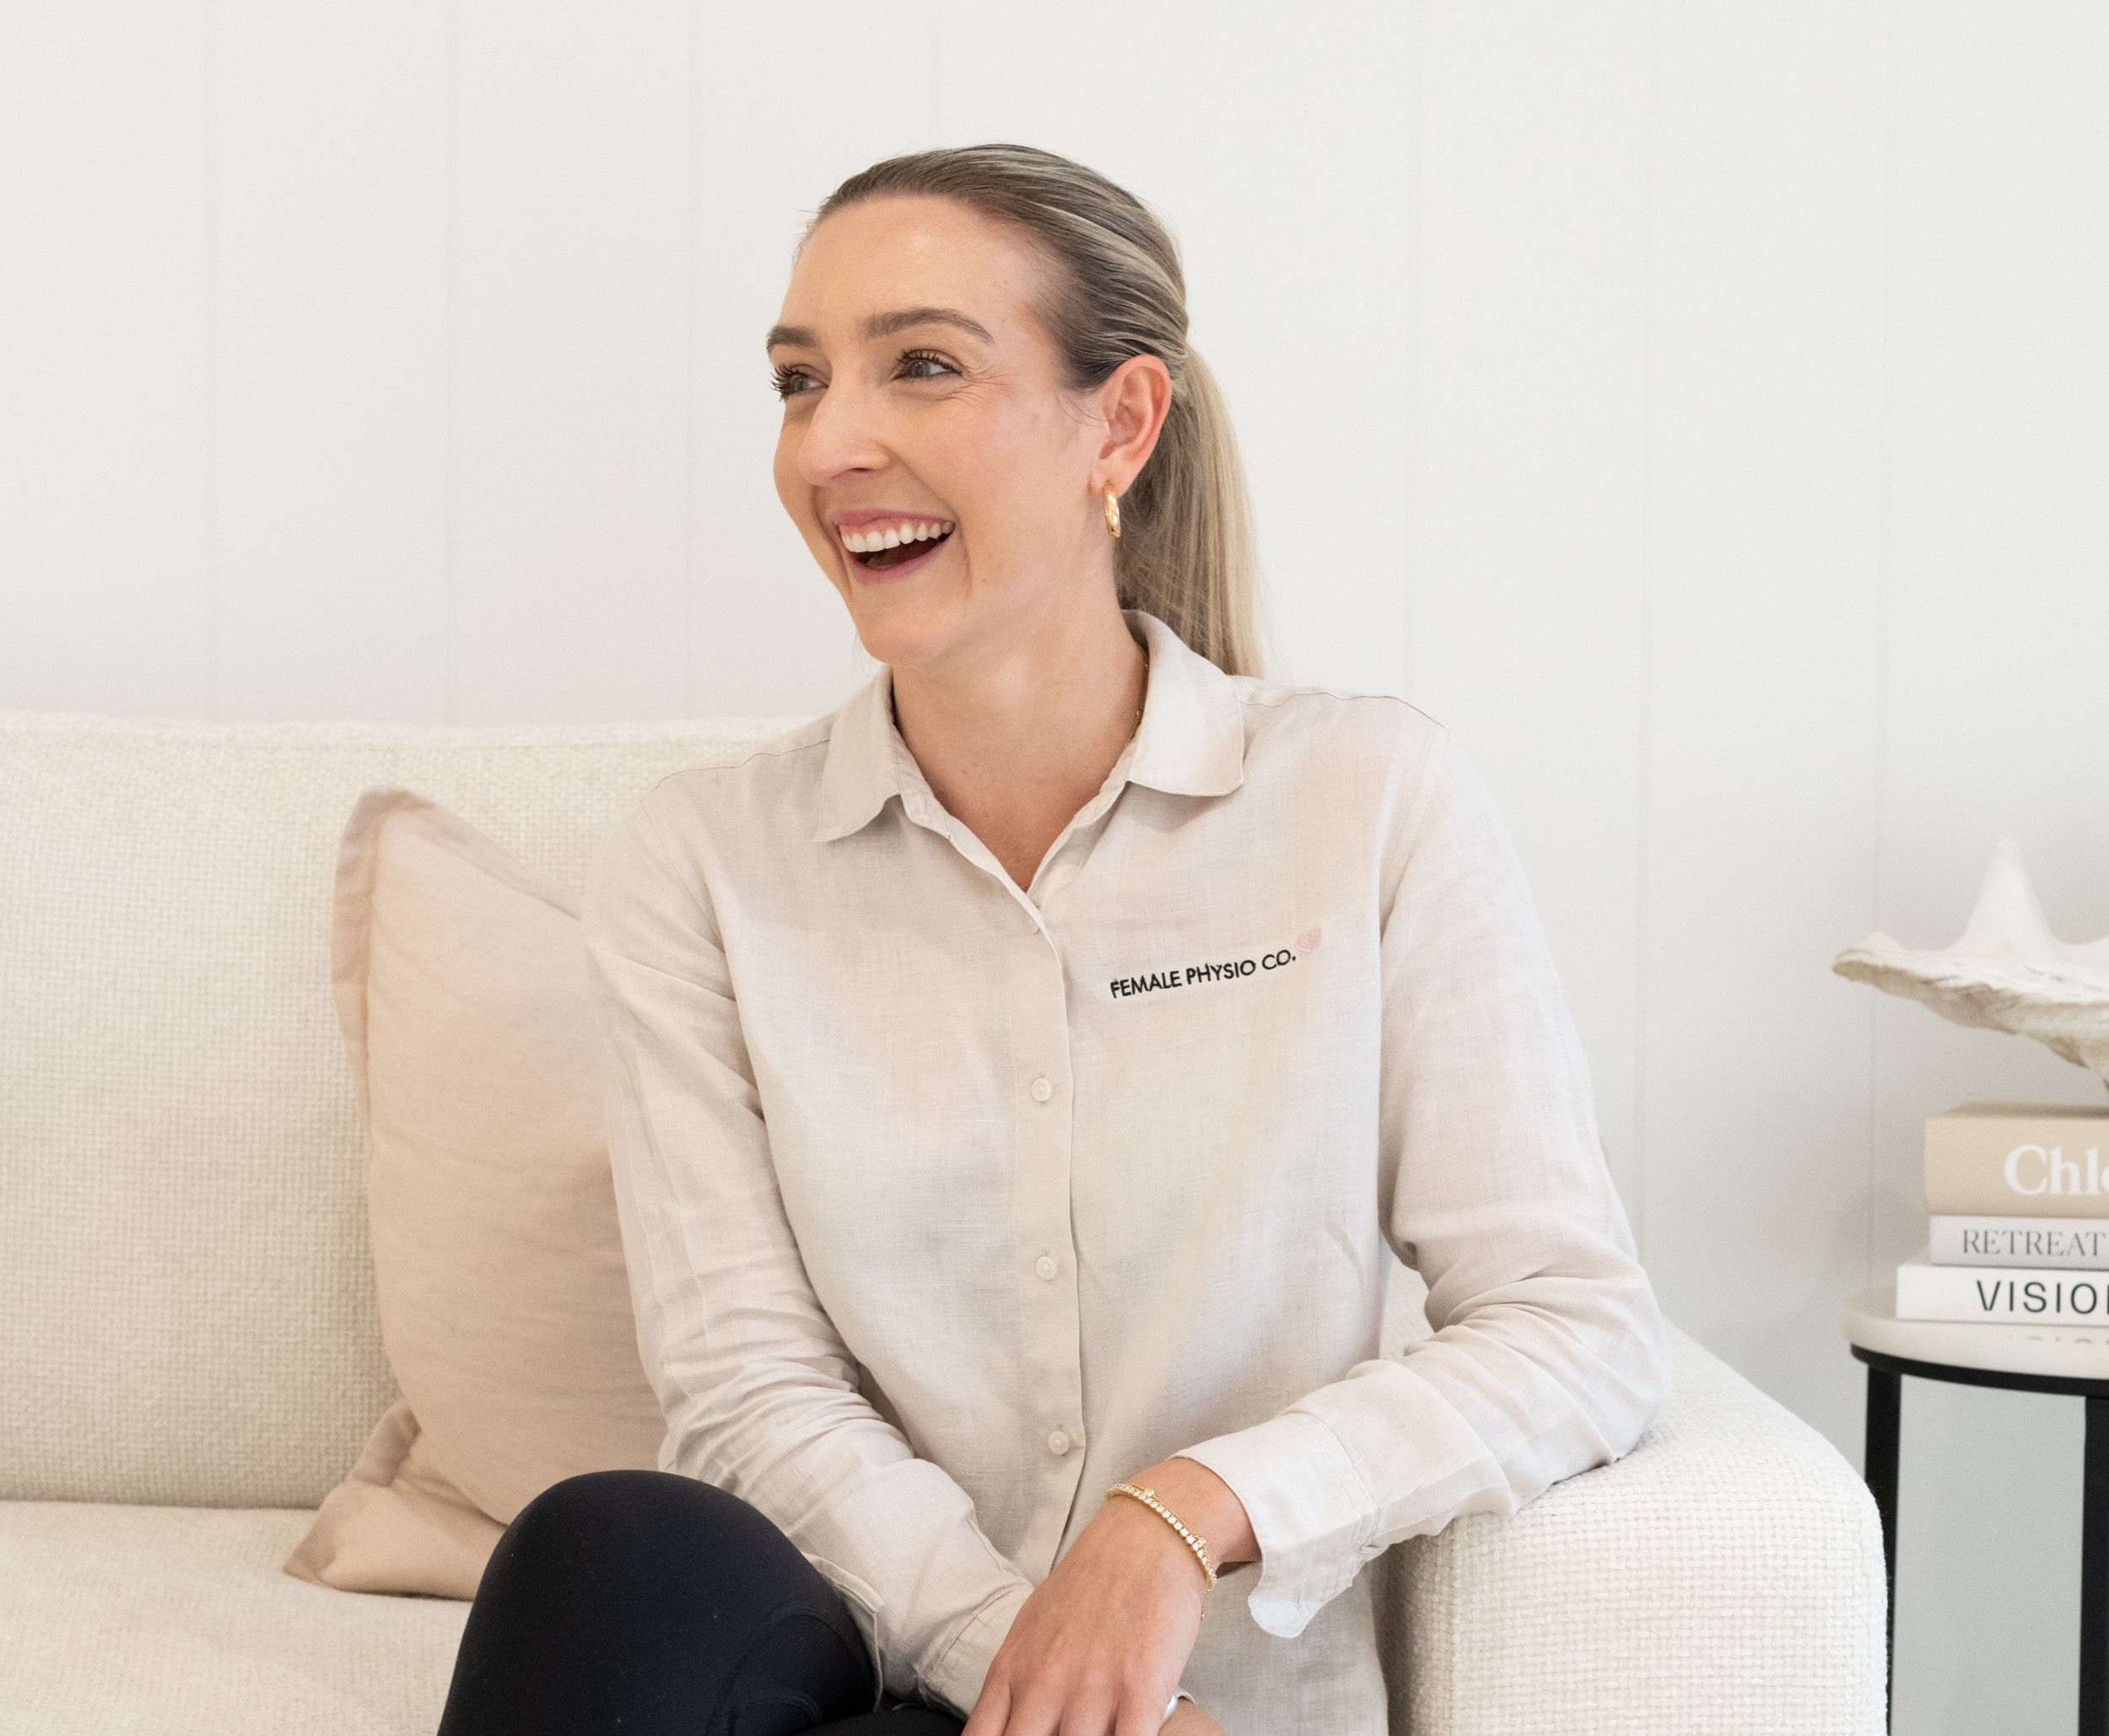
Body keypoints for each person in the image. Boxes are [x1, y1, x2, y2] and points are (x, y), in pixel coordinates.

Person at [433, 142, 1671, 1736]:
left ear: (1123, 423)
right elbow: (746, 1392)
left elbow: (1572, 1324)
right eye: (800, 382)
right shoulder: (704, 862)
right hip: (871, 1682)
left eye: (922, 366)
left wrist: (1180, 1516)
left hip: (1233, 1694)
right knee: (614, 1547)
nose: (832, 443)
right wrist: (1040, 1665)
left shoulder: (1368, 799)